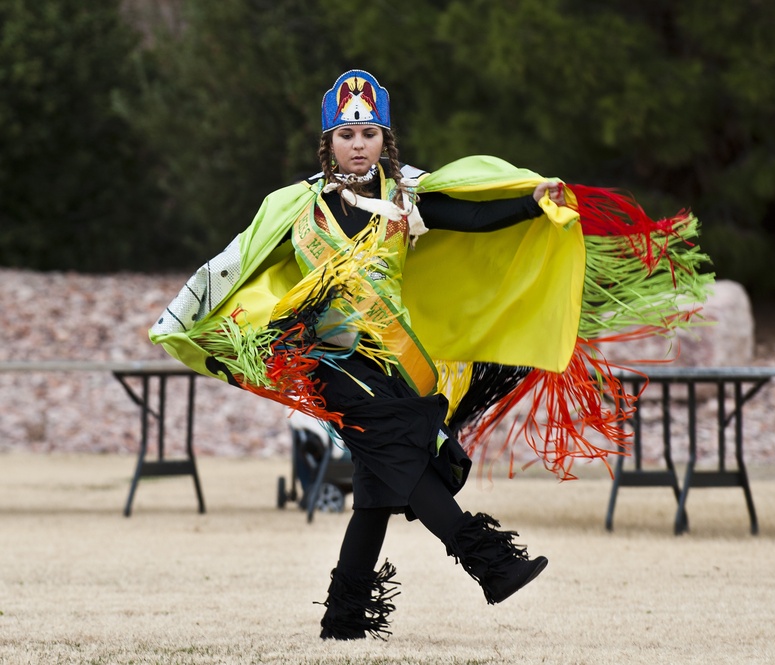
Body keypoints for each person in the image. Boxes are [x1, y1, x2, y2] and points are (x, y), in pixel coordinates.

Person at [150, 69, 712, 641]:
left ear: (385, 140)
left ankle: (344, 617)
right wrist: (191, 322)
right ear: (328, 144)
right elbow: (235, 265)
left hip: (395, 361)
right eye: (346, 136)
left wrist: (527, 202)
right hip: (332, 361)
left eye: (369, 133)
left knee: (376, 489)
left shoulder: (406, 201)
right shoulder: (294, 208)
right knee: (402, 458)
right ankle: (489, 562)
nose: (358, 144)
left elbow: (469, 217)